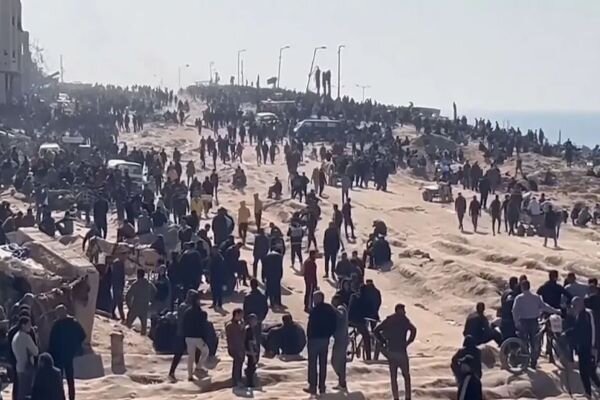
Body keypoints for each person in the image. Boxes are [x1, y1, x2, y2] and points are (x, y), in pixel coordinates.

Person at [512, 280, 560, 368]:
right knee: (534, 342)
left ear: (522, 287)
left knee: (524, 342)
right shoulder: (536, 297)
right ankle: (533, 361)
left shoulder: (519, 298)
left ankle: (525, 360)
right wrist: (556, 311)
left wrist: (516, 322)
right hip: (534, 322)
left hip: (523, 321)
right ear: (529, 287)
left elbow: (514, 311)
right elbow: (545, 307)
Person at [373, 304, 417, 400]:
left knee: (394, 377)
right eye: (403, 310)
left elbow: (376, 330)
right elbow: (414, 330)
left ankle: (396, 398)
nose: (405, 312)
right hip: (402, 352)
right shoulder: (404, 320)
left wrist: (383, 341)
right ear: (399, 310)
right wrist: (408, 342)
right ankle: (408, 397)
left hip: (391, 351)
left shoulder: (389, 320)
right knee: (406, 376)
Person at [48, 305, 85, 400]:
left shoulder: (57, 325)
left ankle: (62, 397)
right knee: (70, 379)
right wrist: (75, 347)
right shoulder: (73, 323)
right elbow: (82, 335)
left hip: (58, 356)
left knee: (59, 379)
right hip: (69, 355)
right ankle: (71, 398)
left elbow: (51, 342)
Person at [565, 297, 600, 398]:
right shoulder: (580, 314)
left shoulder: (587, 314)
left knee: (588, 371)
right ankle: (588, 392)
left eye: (575, 305)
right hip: (583, 347)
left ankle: (591, 391)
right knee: (586, 371)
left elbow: (592, 330)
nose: (574, 307)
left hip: (588, 347)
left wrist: (594, 347)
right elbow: (578, 329)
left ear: (581, 304)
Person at [304, 291, 337, 395]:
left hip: (314, 339)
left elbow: (311, 325)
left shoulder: (315, 310)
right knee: (323, 364)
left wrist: (309, 336)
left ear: (319, 298)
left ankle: (312, 386)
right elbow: (334, 323)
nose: (313, 300)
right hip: (324, 340)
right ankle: (322, 386)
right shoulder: (329, 309)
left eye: (314, 298)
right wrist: (329, 334)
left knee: (312, 364)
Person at [168, 289, 197, 382]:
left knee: (180, 354)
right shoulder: (187, 307)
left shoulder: (182, 305)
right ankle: (193, 373)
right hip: (185, 334)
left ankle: (172, 372)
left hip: (181, 333)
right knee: (191, 353)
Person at [183, 292, 210, 381]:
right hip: (198, 337)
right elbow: (204, 327)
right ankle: (198, 367)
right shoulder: (202, 313)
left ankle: (190, 376)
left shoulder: (187, 312)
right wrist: (205, 338)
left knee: (191, 357)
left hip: (188, 337)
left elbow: (184, 325)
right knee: (206, 351)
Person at [12, 317, 38, 400]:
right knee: (27, 392)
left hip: (19, 366)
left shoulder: (15, 336)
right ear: (23, 325)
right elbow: (36, 351)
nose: (30, 326)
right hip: (27, 367)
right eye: (29, 324)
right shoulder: (26, 337)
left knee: (21, 391)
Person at [125, 269, 157, 335]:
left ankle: (125, 337)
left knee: (128, 324)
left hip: (135, 306)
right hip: (144, 307)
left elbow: (128, 296)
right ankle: (143, 339)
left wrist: (129, 306)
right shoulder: (149, 284)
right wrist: (151, 301)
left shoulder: (135, 284)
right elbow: (155, 292)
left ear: (138, 275)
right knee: (144, 327)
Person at [331, 294, 349, 391]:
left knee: (336, 361)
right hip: (341, 338)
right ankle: (342, 382)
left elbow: (340, 315)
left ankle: (342, 381)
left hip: (341, 339)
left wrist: (332, 309)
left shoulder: (341, 308)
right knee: (340, 362)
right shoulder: (342, 308)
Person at [225, 308, 246, 388]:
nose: (242, 316)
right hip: (235, 348)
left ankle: (238, 380)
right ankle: (236, 381)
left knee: (239, 364)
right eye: (241, 315)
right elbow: (234, 338)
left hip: (240, 347)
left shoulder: (237, 324)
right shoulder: (231, 325)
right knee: (237, 364)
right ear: (236, 314)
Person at [245, 314, 261, 388]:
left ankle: (250, 382)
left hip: (251, 351)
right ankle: (249, 383)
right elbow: (250, 343)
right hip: (250, 351)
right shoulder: (249, 330)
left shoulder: (251, 329)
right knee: (250, 367)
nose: (256, 321)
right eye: (255, 320)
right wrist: (253, 354)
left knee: (251, 366)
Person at [111, 254, 126, 321]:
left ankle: (113, 314)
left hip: (117, 286)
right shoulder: (119, 264)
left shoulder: (117, 264)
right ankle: (122, 317)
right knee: (118, 301)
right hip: (118, 286)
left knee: (116, 300)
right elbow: (120, 277)